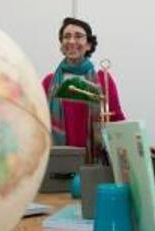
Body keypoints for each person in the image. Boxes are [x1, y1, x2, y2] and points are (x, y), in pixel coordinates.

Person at [43, 17, 126, 148]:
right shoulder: (48, 82)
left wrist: (141, 145)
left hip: (94, 161)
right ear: (62, 45)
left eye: (78, 36)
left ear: (88, 45)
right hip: (59, 162)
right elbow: (38, 125)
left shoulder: (103, 80)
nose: (71, 41)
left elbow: (116, 120)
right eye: (67, 36)